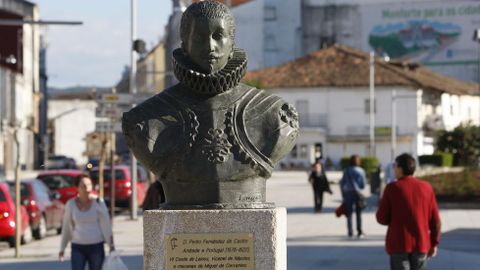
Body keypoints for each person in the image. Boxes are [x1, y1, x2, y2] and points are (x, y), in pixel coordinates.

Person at [122, 1, 298, 208]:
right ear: (184, 45)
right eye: (199, 37)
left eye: (218, 36)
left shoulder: (277, 115)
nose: (210, 46)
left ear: (232, 43)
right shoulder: (143, 120)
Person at [376, 153, 441, 270]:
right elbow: (435, 221)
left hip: (398, 244)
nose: (394, 169)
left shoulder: (392, 188)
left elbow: (381, 218)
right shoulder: (426, 187)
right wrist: (434, 243)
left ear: (400, 168)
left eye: (395, 166)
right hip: (421, 243)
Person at [59, 174, 115, 270]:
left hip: (96, 246)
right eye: (83, 186)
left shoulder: (98, 202)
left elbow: (106, 224)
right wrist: (62, 248)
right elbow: (66, 227)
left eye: (89, 185)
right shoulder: (71, 204)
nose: (87, 188)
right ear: (77, 188)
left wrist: (111, 244)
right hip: (77, 246)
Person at [340, 154, 366, 238]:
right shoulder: (361, 171)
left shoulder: (346, 170)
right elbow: (363, 184)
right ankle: (359, 231)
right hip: (357, 193)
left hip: (348, 192)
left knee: (349, 213)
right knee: (359, 213)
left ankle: (350, 232)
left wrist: (343, 195)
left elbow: (342, 182)